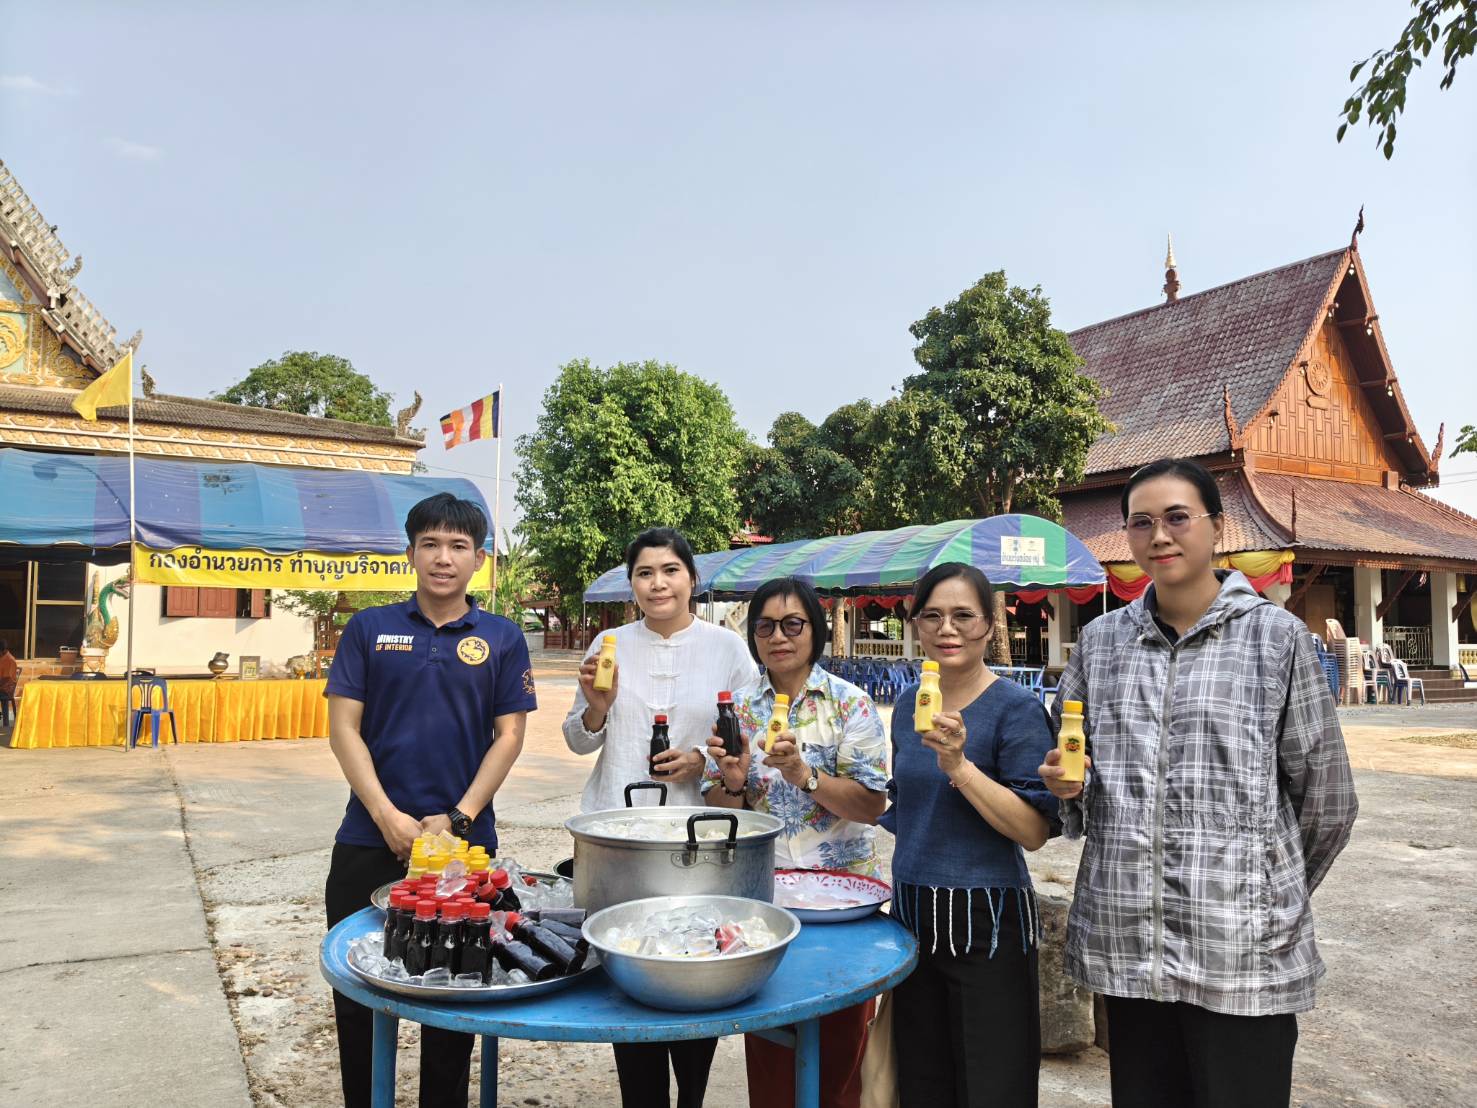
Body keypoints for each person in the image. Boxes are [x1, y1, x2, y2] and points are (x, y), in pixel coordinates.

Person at [1039, 457, 1358, 1108]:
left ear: (1216, 527)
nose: (1159, 536)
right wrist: (1068, 790)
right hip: (1130, 949)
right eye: (1140, 523)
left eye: (1177, 518)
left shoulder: (1276, 640)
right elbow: (1079, 785)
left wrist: (1267, 896)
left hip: (1242, 957)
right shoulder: (1099, 646)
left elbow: (1326, 802)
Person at [323, 492, 536, 1108]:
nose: (443, 558)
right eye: (431, 544)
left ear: (480, 560)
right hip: (368, 840)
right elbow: (343, 730)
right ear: (411, 551)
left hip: (464, 853)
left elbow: (510, 736)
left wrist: (460, 819)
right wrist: (387, 816)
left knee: (456, 999)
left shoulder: (501, 637)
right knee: (358, 993)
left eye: (459, 546)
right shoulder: (370, 629)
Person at [563, 526, 757, 1108]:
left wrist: (700, 757)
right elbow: (577, 740)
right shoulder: (609, 642)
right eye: (645, 573)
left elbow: (744, 733)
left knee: (694, 969)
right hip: (618, 837)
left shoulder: (726, 648)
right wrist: (596, 710)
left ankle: (692, 1096)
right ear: (632, 585)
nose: (658, 583)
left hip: (696, 840)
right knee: (632, 972)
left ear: (691, 579)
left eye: (670, 570)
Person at [704, 576, 888, 1108]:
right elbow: (720, 809)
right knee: (769, 1043)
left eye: (792, 624)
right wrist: (734, 783)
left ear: (816, 630)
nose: (778, 636)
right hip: (763, 898)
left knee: (840, 1042)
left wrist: (806, 776)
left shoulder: (850, 705)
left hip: (845, 905)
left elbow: (872, 805)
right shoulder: (736, 708)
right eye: (765, 625)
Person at [882, 562, 1056, 1107]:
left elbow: (1033, 830)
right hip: (912, 915)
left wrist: (960, 766)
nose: (946, 629)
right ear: (916, 625)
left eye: (963, 615)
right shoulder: (910, 704)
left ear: (989, 624)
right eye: (931, 615)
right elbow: (906, 807)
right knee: (922, 1082)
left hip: (987, 923)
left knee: (992, 1085)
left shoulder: (1017, 710)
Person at [0, 639, 17, 727]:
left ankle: (5, 725)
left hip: (6, 688)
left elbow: (6, 679)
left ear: (3, 650)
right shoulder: (2, 657)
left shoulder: (9, 660)